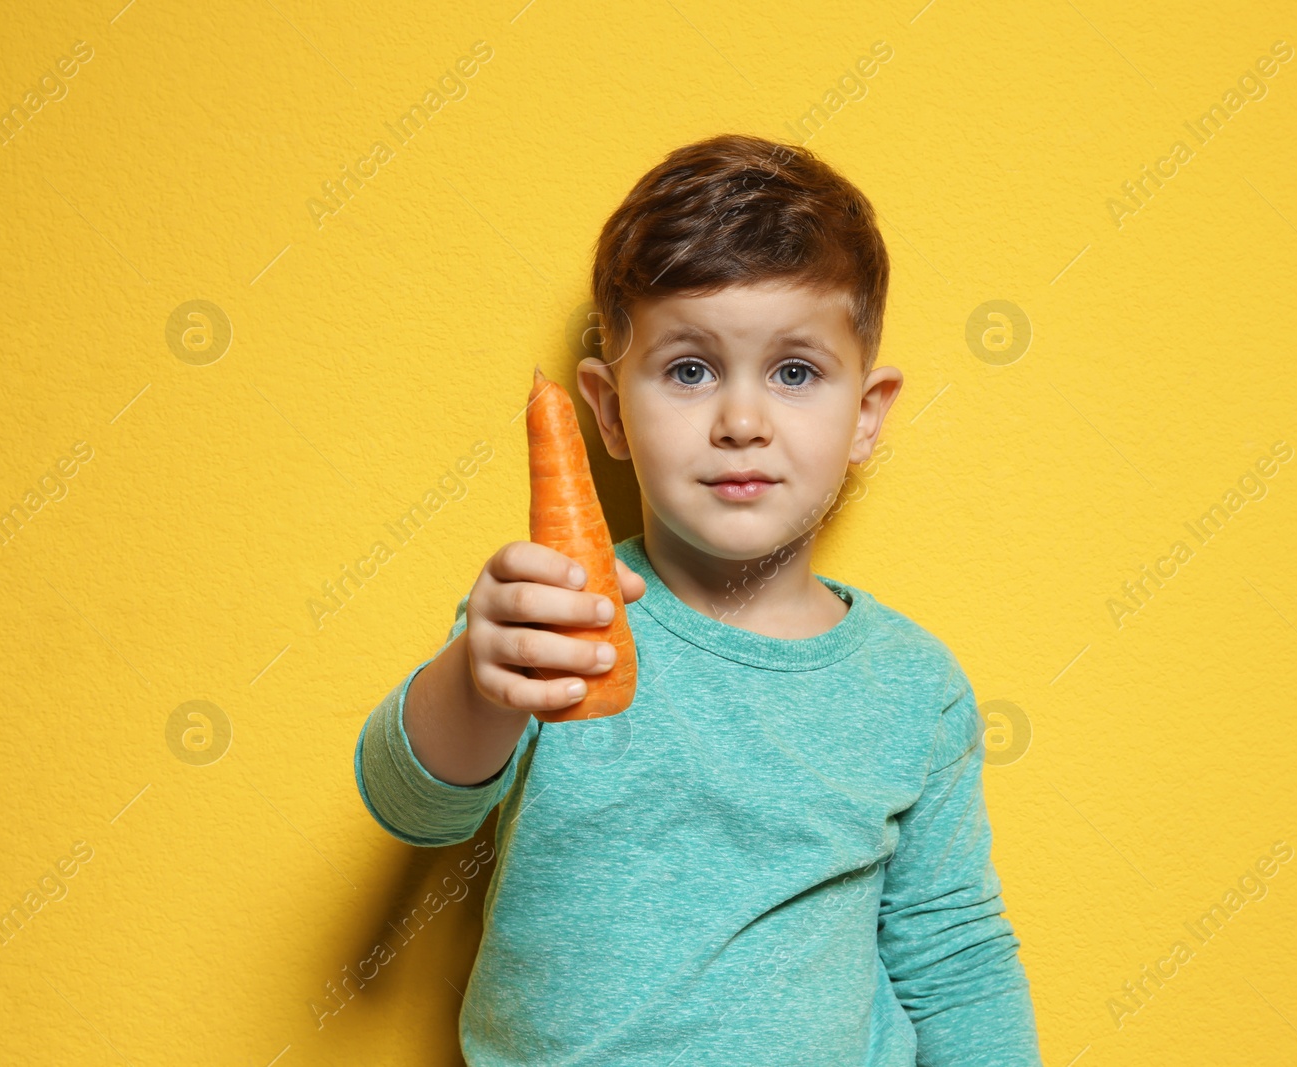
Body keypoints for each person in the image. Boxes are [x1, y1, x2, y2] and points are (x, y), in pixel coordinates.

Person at [354, 132, 1042, 1066]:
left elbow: (955, 963)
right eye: (690, 370)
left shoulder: (915, 687)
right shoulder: (556, 622)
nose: (743, 422)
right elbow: (415, 808)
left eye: (795, 372)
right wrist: (475, 685)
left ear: (866, 414)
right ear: (607, 410)